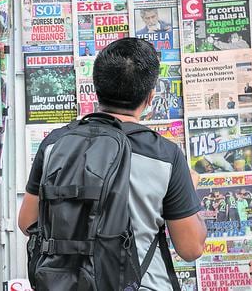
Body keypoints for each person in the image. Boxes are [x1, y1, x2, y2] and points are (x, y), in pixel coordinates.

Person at [18, 38, 206, 289]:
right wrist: (189, 189)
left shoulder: (54, 144)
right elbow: (191, 248)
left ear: (96, 89)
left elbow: (27, 222)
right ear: (150, 97)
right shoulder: (165, 156)